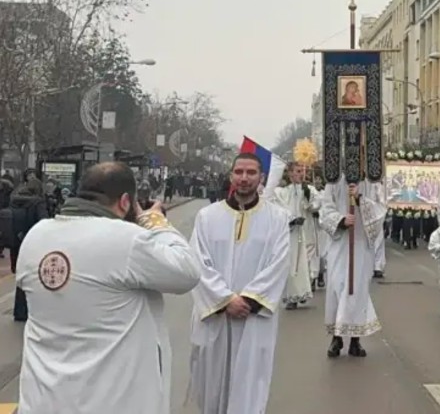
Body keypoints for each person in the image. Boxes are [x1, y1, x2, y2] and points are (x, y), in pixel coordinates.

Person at [15, 162, 201, 414]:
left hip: (42, 400)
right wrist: (154, 220)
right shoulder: (126, 240)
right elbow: (187, 271)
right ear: (125, 202)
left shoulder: (36, 236)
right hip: (109, 403)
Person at [188, 153, 291, 414]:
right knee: (210, 382)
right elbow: (198, 262)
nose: (244, 178)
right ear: (231, 175)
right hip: (215, 316)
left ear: (262, 178)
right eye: (239, 172)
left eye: (251, 173)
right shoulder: (207, 217)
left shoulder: (277, 218)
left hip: (253, 317)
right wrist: (224, 300)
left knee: (250, 382)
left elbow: (278, 264)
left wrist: (248, 300)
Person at [318, 177, 387, 358]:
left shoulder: (372, 182)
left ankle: (356, 340)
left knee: (357, 290)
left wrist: (360, 200)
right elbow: (325, 210)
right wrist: (340, 220)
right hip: (340, 243)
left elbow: (381, 210)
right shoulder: (332, 181)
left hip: (361, 244)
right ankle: (336, 337)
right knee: (336, 287)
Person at [0, 178, 49, 321]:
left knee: (20, 274)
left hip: (15, 242)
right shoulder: (38, 202)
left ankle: (19, 311)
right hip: (32, 242)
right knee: (34, 276)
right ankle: (29, 309)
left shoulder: (13, 200)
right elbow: (43, 221)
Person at [270, 162, 315, 309]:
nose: (301, 174)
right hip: (288, 232)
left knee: (303, 263)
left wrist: (308, 196)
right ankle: (291, 297)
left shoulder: (307, 189)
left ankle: (302, 292)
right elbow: (278, 209)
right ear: (289, 174)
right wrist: (291, 219)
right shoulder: (282, 192)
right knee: (289, 264)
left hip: (303, 230)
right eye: (297, 171)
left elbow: (315, 206)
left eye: (302, 171)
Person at [361, 174, 388, 278]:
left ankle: (377, 266)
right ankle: (371, 266)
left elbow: (381, 200)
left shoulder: (376, 184)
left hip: (375, 213)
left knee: (378, 241)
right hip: (365, 211)